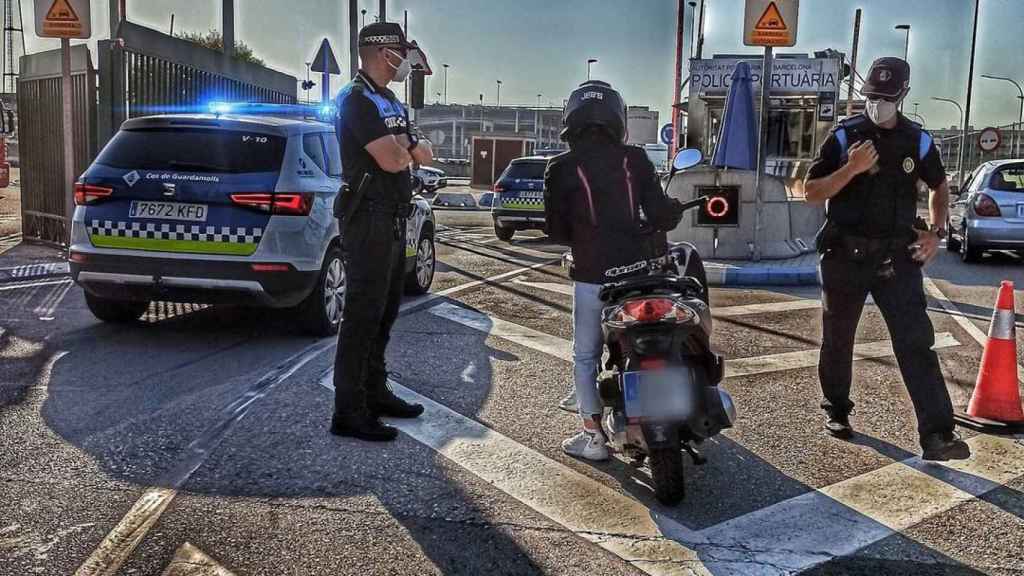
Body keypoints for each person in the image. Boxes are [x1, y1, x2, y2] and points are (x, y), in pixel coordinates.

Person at [804, 57, 970, 461]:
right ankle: (838, 410)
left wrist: (936, 233)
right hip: (846, 255)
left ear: (903, 95)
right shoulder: (844, 137)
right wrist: (852, 168)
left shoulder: (919, 140)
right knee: (839, 339)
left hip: (897, 255)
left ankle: (937, 435)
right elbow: (811, 190)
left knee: (916, 343)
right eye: (872, 96)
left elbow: (939, 186)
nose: (878, 103)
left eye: (886, 97)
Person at [544, 80, 687, 461]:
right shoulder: (636, 159)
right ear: (617, 118)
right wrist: (670, 209)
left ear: (571, 119)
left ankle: (593, 437)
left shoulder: (559, 168)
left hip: (594, 277)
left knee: (585, 355)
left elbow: (555, 231)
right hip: (642, 274)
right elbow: (660, 215)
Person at [330, 22, 434, 442]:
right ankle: (349, 410)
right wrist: (406, 147)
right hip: (368, 217)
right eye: (400, 51)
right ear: (379, 51)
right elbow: (393, 159)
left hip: (393, 216)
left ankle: (375, 391)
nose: (405, 59)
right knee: (361, 316)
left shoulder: (388, 99)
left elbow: (422, 153)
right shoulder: (355, 100)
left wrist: (405, 146)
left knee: (385, 313)